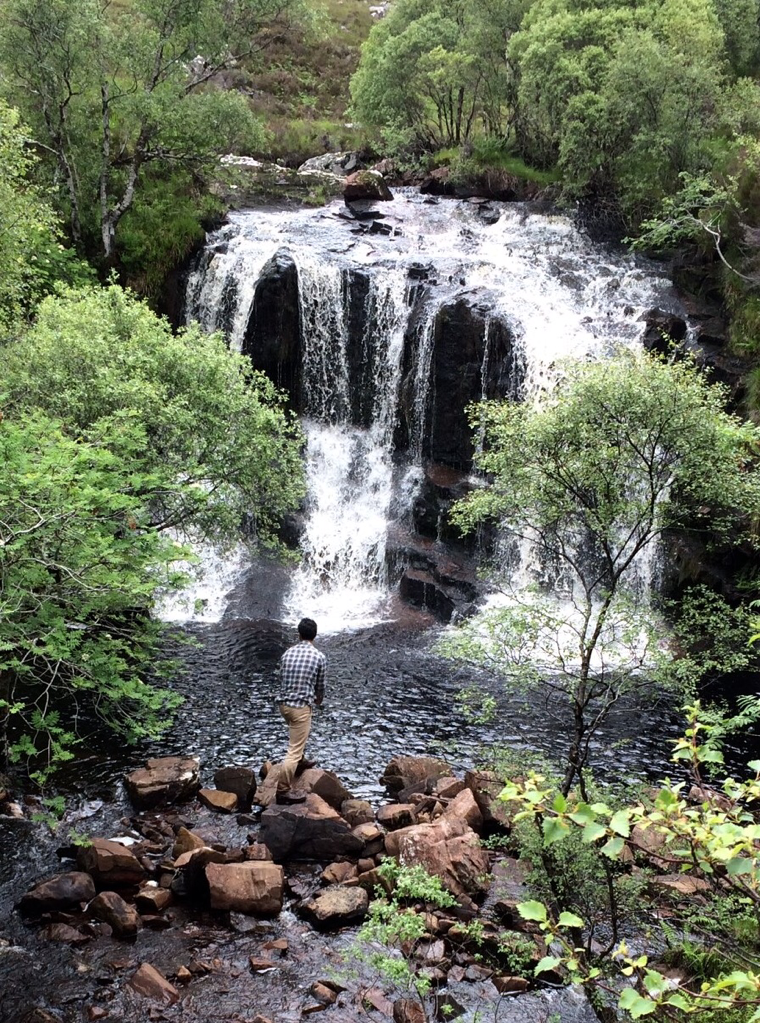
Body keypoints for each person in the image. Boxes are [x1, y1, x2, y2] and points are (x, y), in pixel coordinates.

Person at [265, 617, 326, 804]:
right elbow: (320, 686)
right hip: (300, 707)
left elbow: (281, 678)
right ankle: (283, 790)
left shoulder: (287, 653)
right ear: (314, 636)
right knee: (293, 749)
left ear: (298, 634)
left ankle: (301, 761)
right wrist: (318, 701)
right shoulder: (319, 657)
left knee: (297, 737)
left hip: (284, 705)